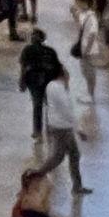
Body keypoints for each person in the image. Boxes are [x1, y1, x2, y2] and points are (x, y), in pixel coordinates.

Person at [39, 64, 87, 199]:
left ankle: (77, 185)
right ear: (62, 74)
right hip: (62, 128)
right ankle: (37, 174)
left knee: (73, 154)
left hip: (58, 125)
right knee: (58, 156)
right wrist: (79, 129)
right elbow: (67, 110)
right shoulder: (58, 88)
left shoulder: (52, 86)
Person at [18, 28, 62, 139]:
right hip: (48, 80)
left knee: (37, 105)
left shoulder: (27, 50)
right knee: (49, 105)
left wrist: (22, 81)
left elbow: (23, 67)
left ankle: (38, 131)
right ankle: (50, 129)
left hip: (34, 80)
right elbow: (58, 69)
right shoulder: (50, 51)